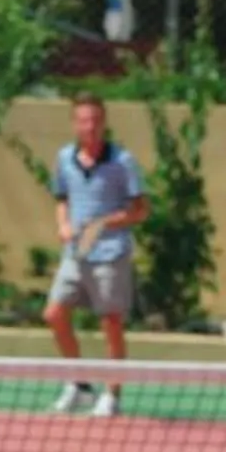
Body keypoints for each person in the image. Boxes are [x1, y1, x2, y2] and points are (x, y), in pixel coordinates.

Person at [43, 92, 148, 418]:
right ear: (75, 124)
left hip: (110, 254)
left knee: (111, 322)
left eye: (96, 120)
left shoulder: (123, 162)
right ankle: (79, 385)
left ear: (104, 123)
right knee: (54, 314)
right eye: (84, 121)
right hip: (75, 255)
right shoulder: (64, 158)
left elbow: (141, 210)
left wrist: (104, 222)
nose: (90, 127)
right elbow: (62, 197)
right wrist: (63, 225)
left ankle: (112, 395)